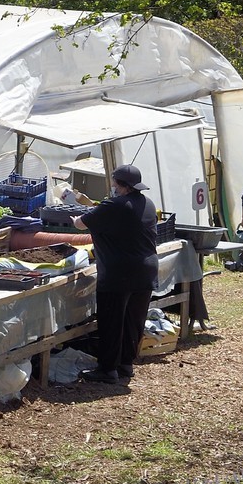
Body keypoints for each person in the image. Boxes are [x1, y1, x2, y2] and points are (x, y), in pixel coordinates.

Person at [71, 164, 158, 385]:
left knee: (112, 320)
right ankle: (126, 364)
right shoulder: (148, 204)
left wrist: (73, 218)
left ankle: (108, 368)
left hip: (118, 272)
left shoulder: (113, 205)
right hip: (146, 269)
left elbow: (81, 224)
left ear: (119, 184)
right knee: (134, 320)